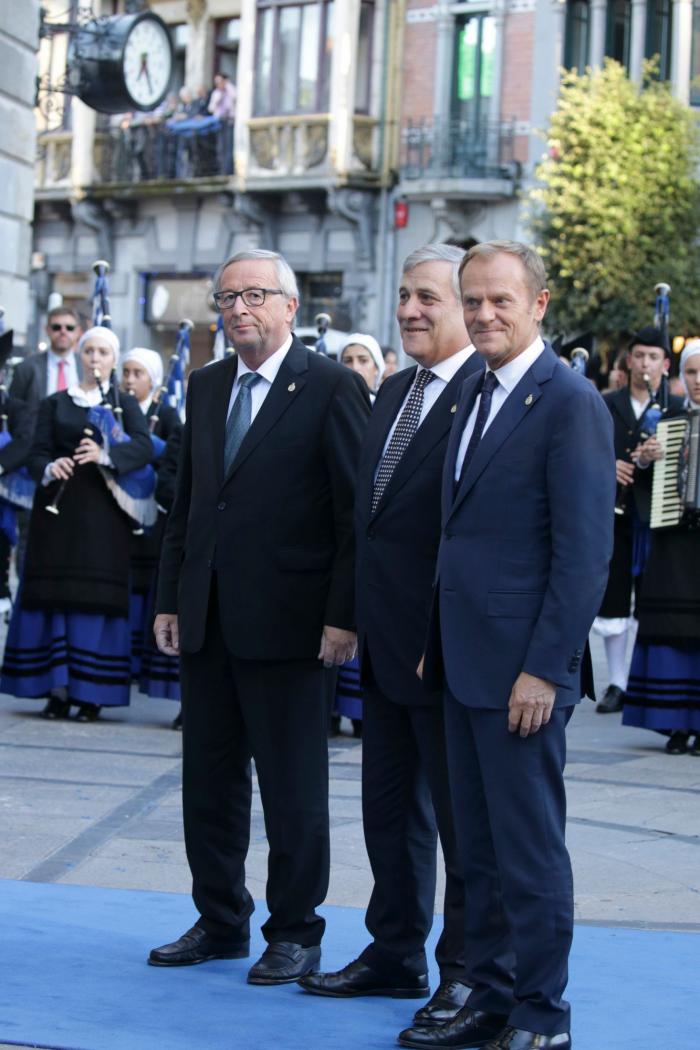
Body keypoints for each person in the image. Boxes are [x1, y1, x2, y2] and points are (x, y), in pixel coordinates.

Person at [402, 241, 615, 1050]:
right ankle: (489, 1001)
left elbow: (583, 553)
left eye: (501, 301)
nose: (485, 314)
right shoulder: (473, 396)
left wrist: (543, 668)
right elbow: (459, 537)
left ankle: (542, 1016)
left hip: (521, 674)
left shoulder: (570, 403)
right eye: (474, 301)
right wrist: (435, 640)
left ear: (540, 304)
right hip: (461, 665)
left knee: (527, 853)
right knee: (479, 855)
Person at [149, 249, 370, 983]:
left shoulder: (333, 386)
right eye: (226, 297)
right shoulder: (207, 385)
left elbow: (353, 517)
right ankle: (219, 920)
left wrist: (343, 617)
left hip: (292, 625)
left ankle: (297, 932)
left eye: (254, 295)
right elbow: (189, 503)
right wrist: (171, 598)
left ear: (289, 306)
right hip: (208, 621)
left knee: (292, 790)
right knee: (207, 785)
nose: (238, 309)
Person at [300, 244, 480, 1027]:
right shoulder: (396, 388)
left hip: (447, 652)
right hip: (382, 644)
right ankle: (395, 950)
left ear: (468, 305)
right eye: (405, 294)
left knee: (462, 823)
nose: (410, 309)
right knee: (389, 811)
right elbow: (365, 522)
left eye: (428, 297)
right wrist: (347, 614)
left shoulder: (485, 392)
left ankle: (465, 974)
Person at [0, 327, 153, 722]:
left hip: (103, 518)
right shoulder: (55, 403)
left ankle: (91, 694)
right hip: (58, 514)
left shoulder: (123, 404)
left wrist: (106, 454)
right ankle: (55, 689)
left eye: (103, 352)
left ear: (114, 359)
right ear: (80, 357)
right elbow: (35, 453)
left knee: (94, 600)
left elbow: (142, 446)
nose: (95, 358)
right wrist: (51, 466)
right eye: (90, 352)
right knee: (54, 597)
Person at [593, 327, 684, 714]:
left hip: (658, 516)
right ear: (628, 361)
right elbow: (583, 452)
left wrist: (658, 455)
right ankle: (617, 682)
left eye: (653, 358)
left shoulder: (676, 409)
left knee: (650, 598)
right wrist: (606, 465)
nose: (644, 364)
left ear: (664, 364)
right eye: (639, 356)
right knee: (613, 597)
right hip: (612, 513)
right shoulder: (603, 403)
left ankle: (642, 678)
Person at [623, 340, 700, 755]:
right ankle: (674, 723)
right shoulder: (668, 419)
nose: (699, 380)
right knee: (670, 628)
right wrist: (648, 460)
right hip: (673, 541)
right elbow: (647, 494)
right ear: (680, 376)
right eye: (691, 373)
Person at [120, 348, 182, 722]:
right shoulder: (113, 408)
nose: (129, 380)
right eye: (125, 372)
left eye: (137, 373)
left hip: (155, 521)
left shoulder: (169, 415)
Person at [9, 306, 83, 422]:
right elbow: (13, 409)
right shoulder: (26, 367)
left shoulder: (86, 366)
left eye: (69, 328)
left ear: (78, 332)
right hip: (36, 435)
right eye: (56, 327)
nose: (63, 332)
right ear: (47, 330)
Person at [339, 333, 385, 401]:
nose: (355, 367)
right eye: (348, 361)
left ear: (376, 367)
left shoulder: (387, 404)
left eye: (363, 361)